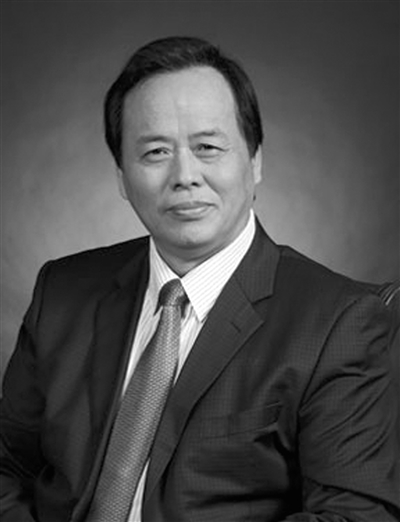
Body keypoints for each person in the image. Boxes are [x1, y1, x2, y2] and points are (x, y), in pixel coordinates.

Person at [0, 36, 398, 522]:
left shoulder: (338, 322)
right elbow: (7, 466)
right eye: (155, 152)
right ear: (121, 176)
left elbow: (353, 515)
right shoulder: (63, 291)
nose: (184, 175)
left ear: (255, 161)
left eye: (208, 147)